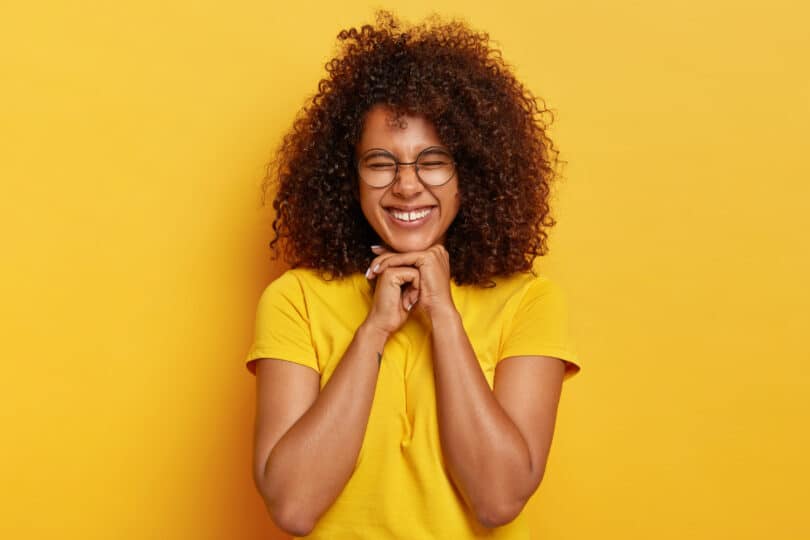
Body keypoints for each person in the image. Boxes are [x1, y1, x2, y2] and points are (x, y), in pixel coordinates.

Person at [245, 11, 582, 539]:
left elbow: (497, 500)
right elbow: (292, 506)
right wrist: (374, 329)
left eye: (433, 161)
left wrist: (442, 315)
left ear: (470, 172)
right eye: (381, 162)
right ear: (346, 176)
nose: (406, 186)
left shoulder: (530, 303)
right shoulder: (295, 300)